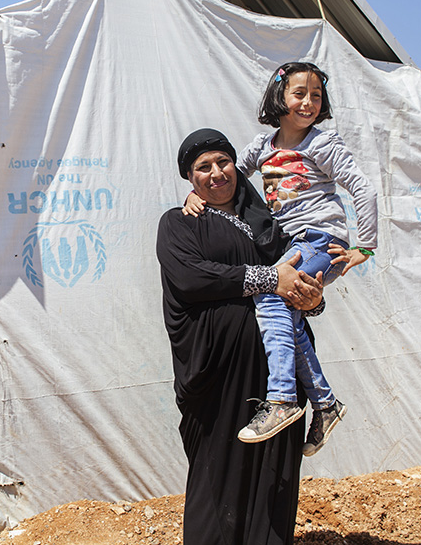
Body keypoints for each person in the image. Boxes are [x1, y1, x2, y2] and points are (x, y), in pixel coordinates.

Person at [183, 62, 377, 455]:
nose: (308, 102)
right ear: (279, 97)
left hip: (320, 239)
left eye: (316, 95)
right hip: (293, 242)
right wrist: (196, 194)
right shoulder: (263, 146)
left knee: (271, 295)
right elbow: (228, 176)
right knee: (287, 314)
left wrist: (365, 247)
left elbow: (363, 188)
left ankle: (284, 399)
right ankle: (325, 404)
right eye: (299, 93)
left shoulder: (322, 145)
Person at [157, 128, 325, 545]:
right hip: (218, 377)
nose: (216, 173)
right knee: (219, 472)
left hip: (277, 382)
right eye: (203, 167)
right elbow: (191, 277)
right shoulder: (179, 223)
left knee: (274, 478)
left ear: (237, 165)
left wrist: (313, 299)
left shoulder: (271, 226)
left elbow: (301, 282)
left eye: (223, 162)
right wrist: (272, 278)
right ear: (190, 178)